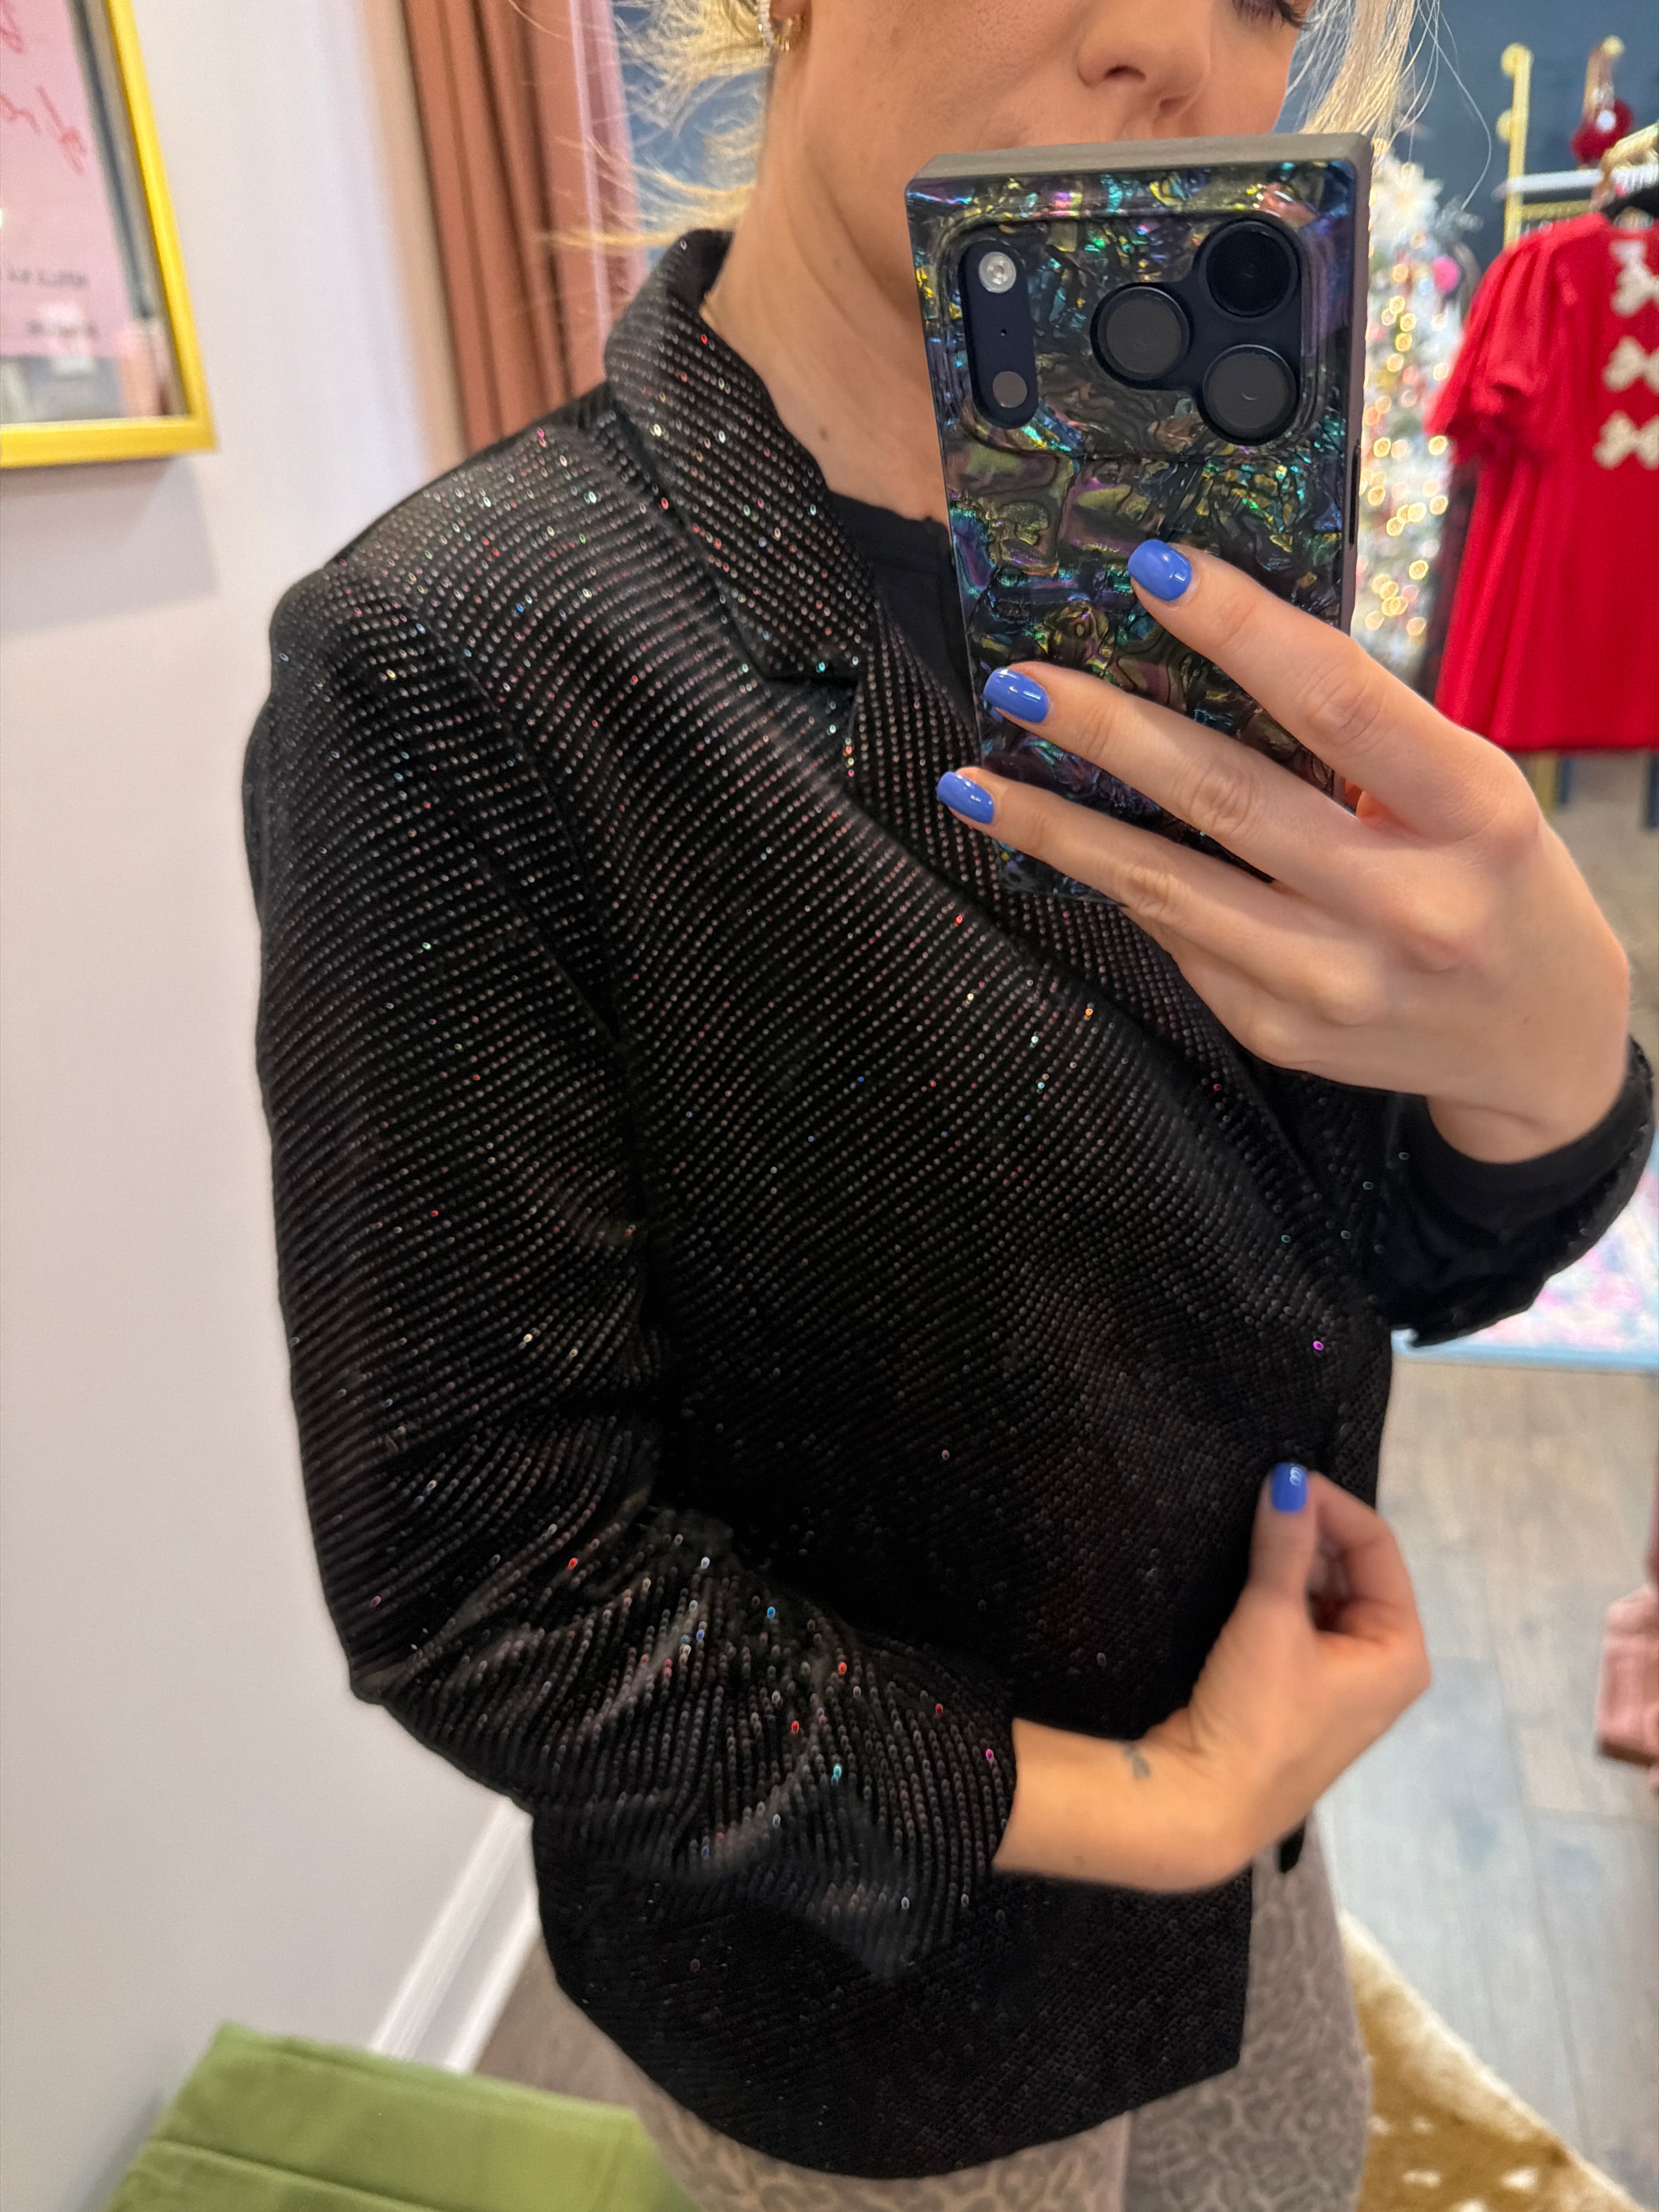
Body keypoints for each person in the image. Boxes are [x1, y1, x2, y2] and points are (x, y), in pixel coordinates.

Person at [244, 2, 1652, 2207]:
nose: (1169, 49)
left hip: (1259, 1877)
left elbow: (1357, 1246)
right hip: (870, 2007)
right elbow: (487, 1578)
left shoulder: (1195, 591)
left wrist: (1559, 1071)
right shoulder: (468, 662)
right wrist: (1154, 1804)